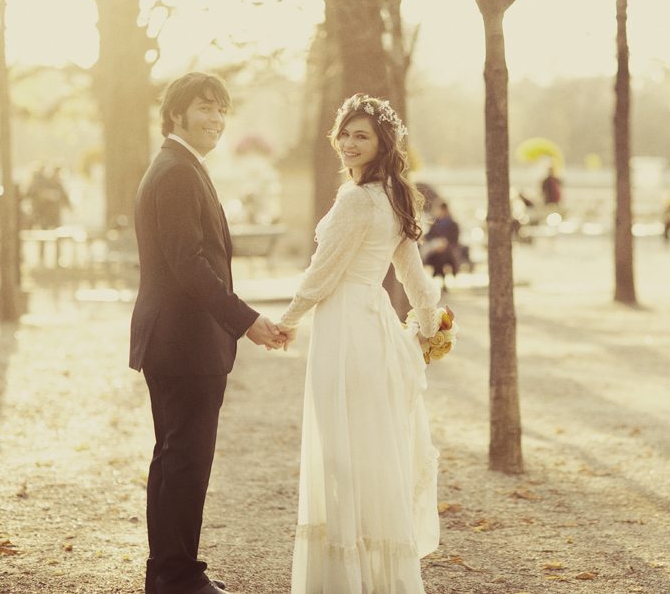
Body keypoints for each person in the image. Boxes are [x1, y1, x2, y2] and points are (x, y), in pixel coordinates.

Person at [128, 72, 289, 594]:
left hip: (179, 340)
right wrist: (246, 321)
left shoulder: (180, 165)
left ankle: (167, 571)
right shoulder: (176, 171)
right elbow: (188, 263)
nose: (216, 120)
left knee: (174, 457)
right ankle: (176, 576)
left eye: (222, 110)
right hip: (183, 342)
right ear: (175, 113)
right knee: (186, 460)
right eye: (205, 108)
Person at [276, 93, 443, 593]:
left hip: (346, 327)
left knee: (343, 448)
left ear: (382, 142)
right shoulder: (394, 194)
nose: (348, 143)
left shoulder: (358, 199)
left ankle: (347, 578)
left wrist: (286, 321)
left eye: (361, 135)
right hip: (373, 327)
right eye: (345, 133)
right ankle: (376, 573)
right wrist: (430, 323)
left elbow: (322, 274)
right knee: (370, 447)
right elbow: (414, 276)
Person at [422, 201, 462, 288]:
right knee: (436, 255)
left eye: (438, 209)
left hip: (448, 250)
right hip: (435, 248)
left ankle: (437, 275)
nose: (436, 211)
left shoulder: (453, 224)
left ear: (444, 210)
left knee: (442, 256)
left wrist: (445, 243)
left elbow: (455, 239)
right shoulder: (435, 223)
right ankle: (439, 277)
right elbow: (429, 236)